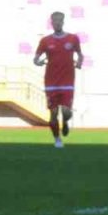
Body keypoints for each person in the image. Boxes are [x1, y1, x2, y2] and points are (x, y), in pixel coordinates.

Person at [33, 11, 84, 149]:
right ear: (51, 23)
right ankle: (57, 139)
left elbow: (80, 55)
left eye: (59, 20)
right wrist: (38, 62)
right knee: (53, 113)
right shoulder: (45, 41)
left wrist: (79, 62)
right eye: (54, 21)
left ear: (63, 21)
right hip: (51, 82)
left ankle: (66, 122)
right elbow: (35, 59)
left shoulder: (73, 39)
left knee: (66, 112)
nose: (57, 23)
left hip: (67, 81)